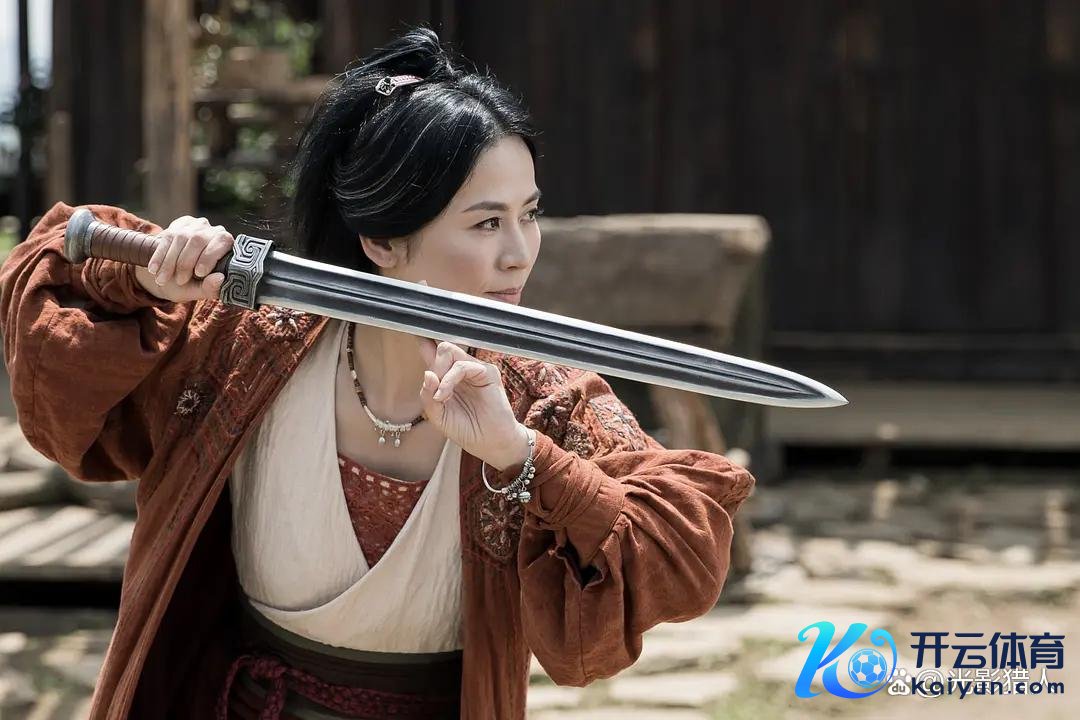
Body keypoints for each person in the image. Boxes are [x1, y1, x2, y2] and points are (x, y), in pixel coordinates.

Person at [0, 26, 755, 720]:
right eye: (487, 222)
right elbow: (49, 288)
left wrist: (522, 456)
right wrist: (142, 279)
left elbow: (683, 552)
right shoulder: (248, 349)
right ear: (382, 240)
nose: (519, 253)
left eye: (529, 214)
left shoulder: (537, 399)